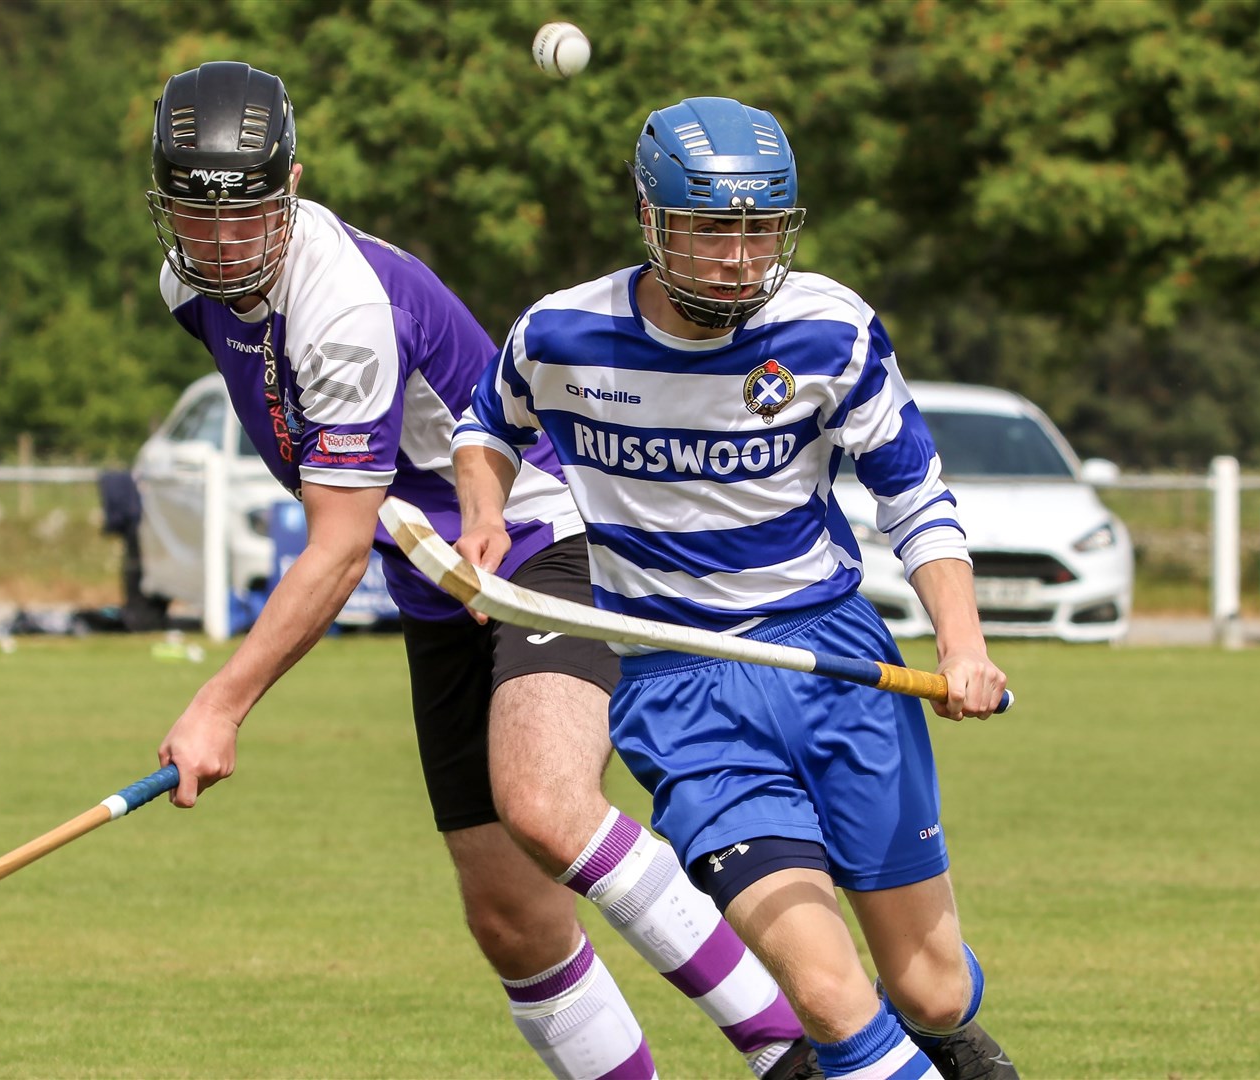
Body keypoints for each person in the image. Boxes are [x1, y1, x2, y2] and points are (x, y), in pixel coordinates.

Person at [146, 63, 814, 1079]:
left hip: (544, 540)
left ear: (293, 185)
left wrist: (221, 704)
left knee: (546, 807)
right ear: (165, 205)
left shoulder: (341, 308)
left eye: (251, 214)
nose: (225, 242)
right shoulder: (187, 283)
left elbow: (334, 544)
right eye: (198, 215)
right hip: (438, 583)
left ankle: (793, 1056)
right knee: (511, 916)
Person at [451, 96, 1021, 1080]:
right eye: (713, 229)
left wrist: (962, 644)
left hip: (837, 663)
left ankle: (941, 1028)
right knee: (826, 994)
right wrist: (482, 517)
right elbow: (484, 425)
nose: (739, 257)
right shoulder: (561, 334)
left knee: (927, 987)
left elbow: (915, 496)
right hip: (683, 694)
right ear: (650, 218)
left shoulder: (829, 330)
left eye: (762, 230)